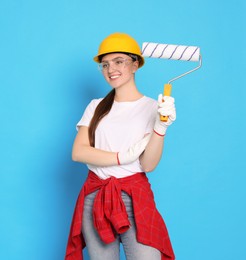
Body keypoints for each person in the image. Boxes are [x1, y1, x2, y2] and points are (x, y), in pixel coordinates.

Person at [65, 33, 176, 260]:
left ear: (135, 64)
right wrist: (123, 156)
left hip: (135, 197)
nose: (110, 69)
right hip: (96, 198)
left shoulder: (153, 107)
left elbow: (148, 164)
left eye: (119, 61)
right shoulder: (96, 106)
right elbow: (78, 152)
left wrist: (161, 127)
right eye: (105, 64)